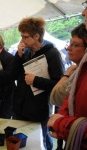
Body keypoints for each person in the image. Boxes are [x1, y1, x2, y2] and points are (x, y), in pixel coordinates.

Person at [11, 17, 64, 150]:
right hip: (20, 109)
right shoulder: (26, 52)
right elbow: (12, 74)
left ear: (36, 36)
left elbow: (59, 85)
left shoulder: (52, 54)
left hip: (38, 112)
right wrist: (18, 55)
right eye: (21, 36)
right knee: (21, 145)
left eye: (25, 37)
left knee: (40, 145)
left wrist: (35, 81)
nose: (22, 40)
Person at [47, 18, 87, 150]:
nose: (69, 48)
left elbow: (55, 96)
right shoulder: (79, 71)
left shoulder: (76, 71)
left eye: (75, 45)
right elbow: (68, 100)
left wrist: (60, 123)